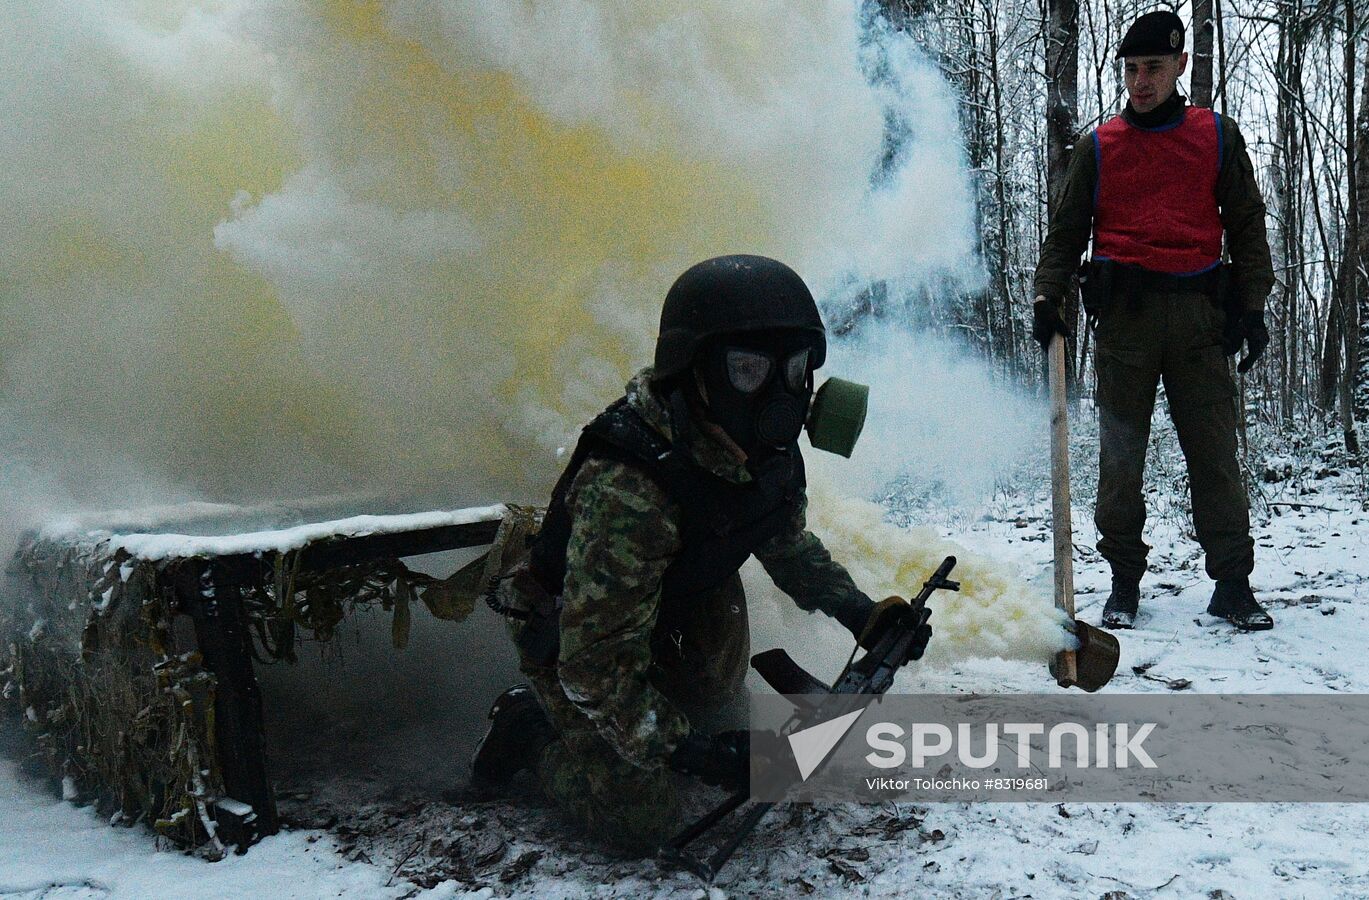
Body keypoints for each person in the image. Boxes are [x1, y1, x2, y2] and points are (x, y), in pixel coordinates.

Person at [468, 254, 930, 855]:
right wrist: (702, 757)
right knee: (642, 816)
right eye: (747, 369)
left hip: (678, 595)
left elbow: (786, 547)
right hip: (574, 633)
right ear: (693, 373)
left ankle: (677, 704)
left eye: (794, 370)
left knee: (712, 719)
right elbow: (594, 666)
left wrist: (864, 615)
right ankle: (526, 728)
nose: (779, 394)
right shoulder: (631, 487)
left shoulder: (765, 453)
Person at [1030, 10, 1275, 631]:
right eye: (1132, 69)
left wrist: (1252, 307)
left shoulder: (1215, 136)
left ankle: (1232, 582)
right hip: (1125, 323)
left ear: (1180, 66)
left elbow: (1247, 223)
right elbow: (1065, 234)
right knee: (1120, 459)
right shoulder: (1100, 147)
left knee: (1214, 454)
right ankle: (1124, 580)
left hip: (1199, 319)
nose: (1141, 82)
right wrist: (1045, 298)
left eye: (1154, 69)